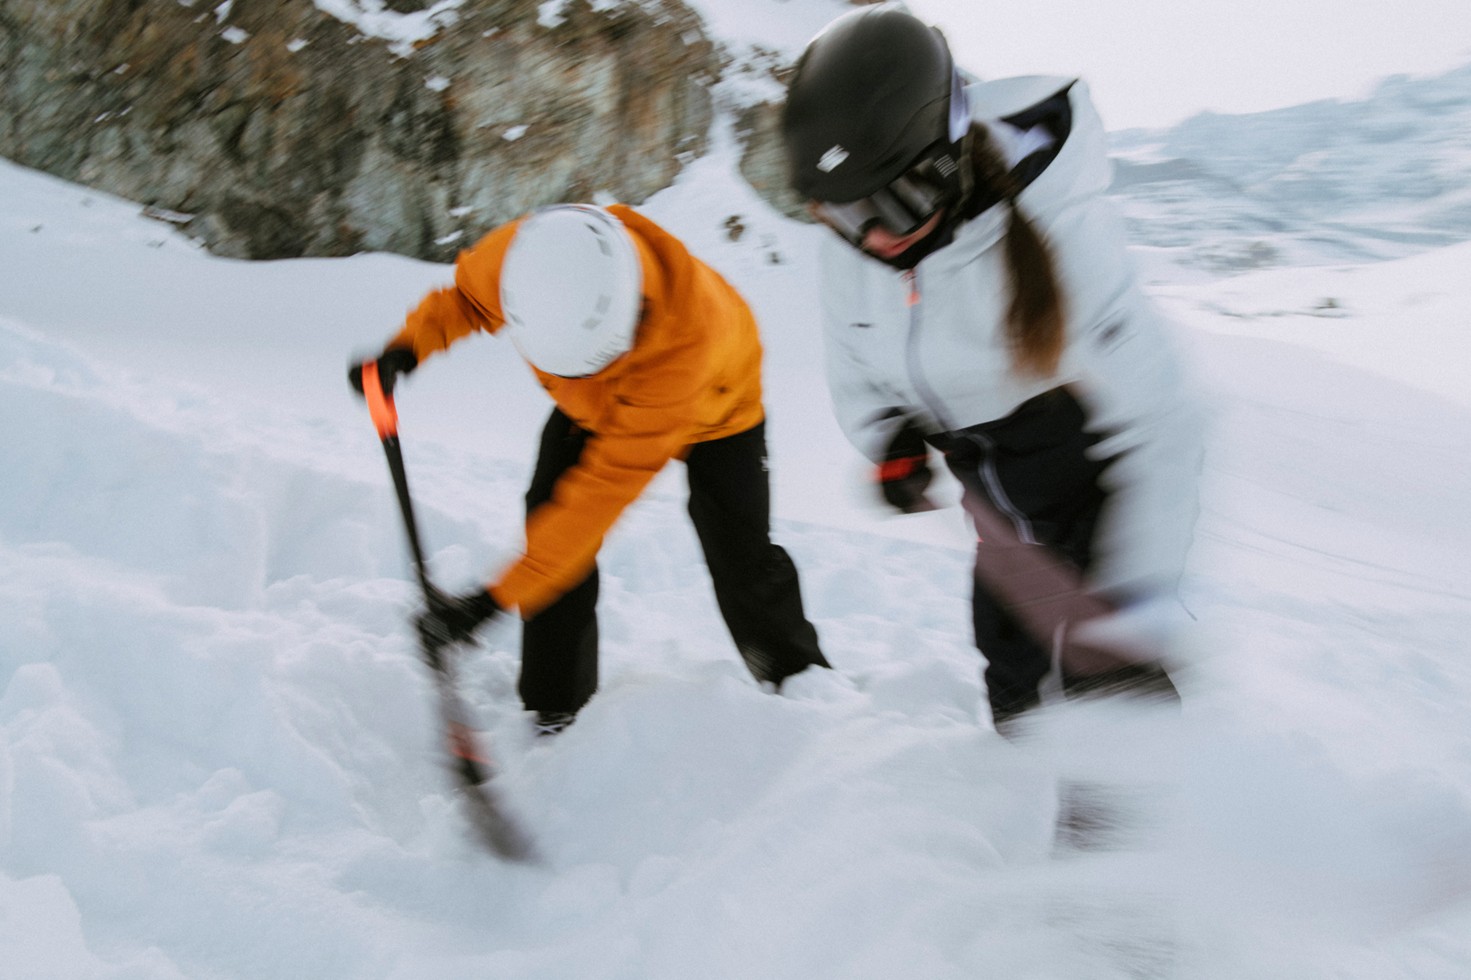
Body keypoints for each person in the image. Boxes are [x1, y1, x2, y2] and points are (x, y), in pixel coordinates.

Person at [779, 5, 1202, 734]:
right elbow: (854, 359)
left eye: (893, 205)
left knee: (1101, 702)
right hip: (997, 513)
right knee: (1007, 671)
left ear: (945, 161)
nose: (872, 239)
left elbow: (1163, 429)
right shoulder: (856, 248)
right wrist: (890, 438)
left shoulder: (1061, 239)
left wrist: (1134, 598)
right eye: (846, 217)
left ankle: (1144, 836)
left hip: (1093, 504)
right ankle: (1014, 788)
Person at [349, 204, 829, 735]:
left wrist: (488, 603)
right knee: (546, 516)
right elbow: (465, 299)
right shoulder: (528, 259)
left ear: (632, 319)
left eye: (597, 365)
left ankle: (797, 684)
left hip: (722, 411)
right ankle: (554, 708)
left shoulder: (686, 344)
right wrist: (408, 346)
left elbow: (592, 506)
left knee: (740, 552)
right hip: (596, 410)